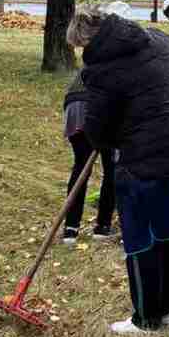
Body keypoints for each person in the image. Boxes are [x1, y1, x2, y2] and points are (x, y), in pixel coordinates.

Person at [68, 6, 169, 334]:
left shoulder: (101, 69)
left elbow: (98, 133)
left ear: (88, 39)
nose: (82, 54)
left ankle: (146, 319)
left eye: (80, 47)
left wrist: (124, 120)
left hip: (147, 161)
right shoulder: (157, 37)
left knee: (143, 238)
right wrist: (158, 89)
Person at [62, 69, 116, 244]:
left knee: (81, 165)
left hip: (73, 105)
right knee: (111, 167)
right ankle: (103, 226)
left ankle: (70, 229)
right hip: (96, 105)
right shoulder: (122, 56)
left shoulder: (96, 52)